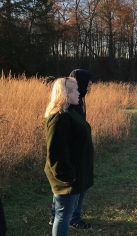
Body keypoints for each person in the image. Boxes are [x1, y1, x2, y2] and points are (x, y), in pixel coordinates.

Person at [44, 77, 94, 236]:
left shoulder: (70, 112)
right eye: (76, 90)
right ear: (66, 93)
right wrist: (67, 177)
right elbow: (55, 153)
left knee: (65, 213)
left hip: (76, 174)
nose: (80, 92)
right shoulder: (59, 118)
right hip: (67, 178)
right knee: (62, 216)